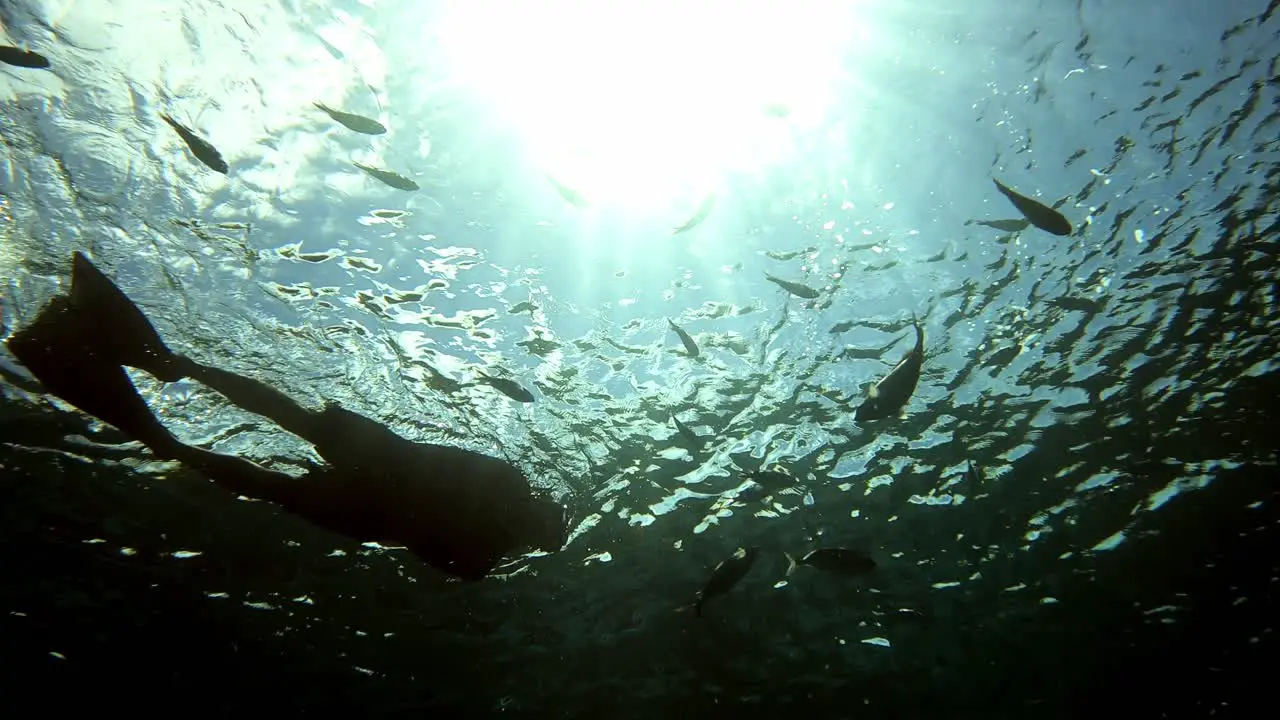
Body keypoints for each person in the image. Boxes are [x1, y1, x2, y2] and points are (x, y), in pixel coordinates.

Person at [5, 251, 566, 581]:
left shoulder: (479, 559)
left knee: (274, 478)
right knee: (294, 423)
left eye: (537, 536)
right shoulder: (500, 499)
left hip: (371, 504)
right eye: (541, 522)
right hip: (388, 470)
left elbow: (426, 540)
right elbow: (446, 472)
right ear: (540, 510)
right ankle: (174, 369)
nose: (531, 527)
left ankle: (166, 435)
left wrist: (385, 491)